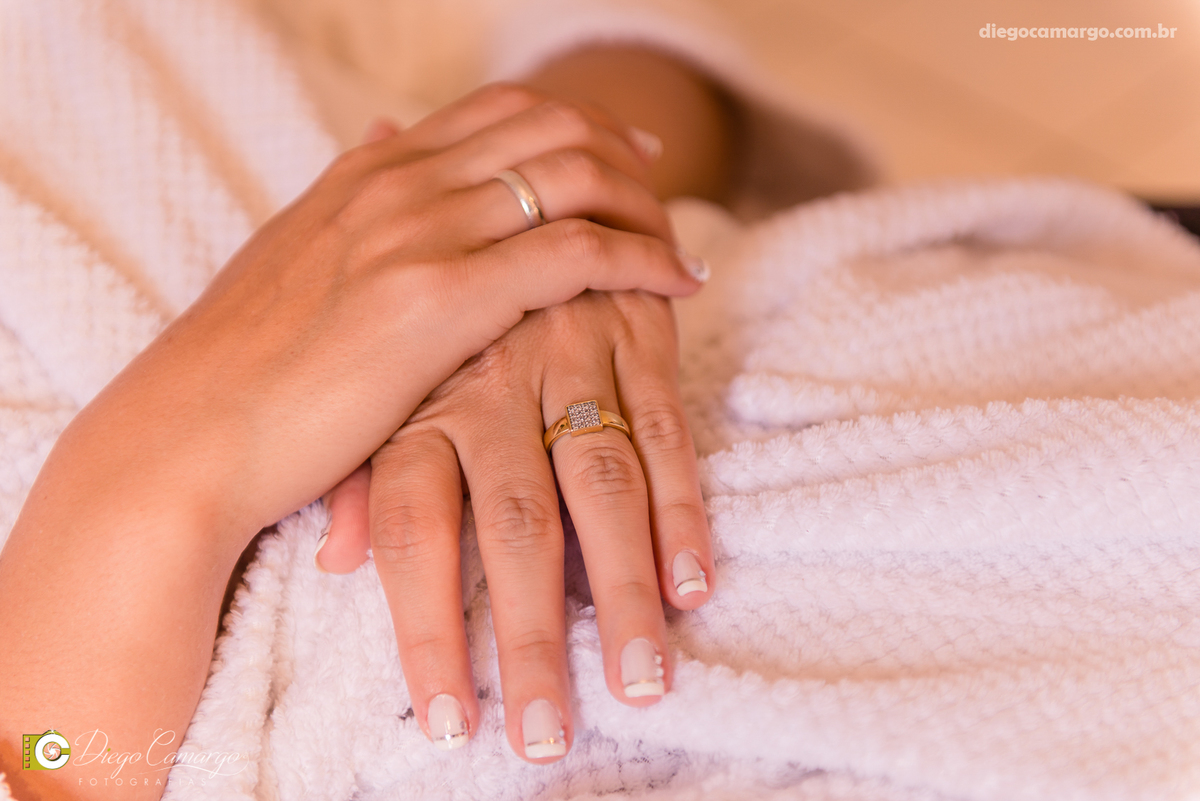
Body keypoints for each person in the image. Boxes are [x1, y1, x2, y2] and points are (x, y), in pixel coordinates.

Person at [0, 0, 861, 794]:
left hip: (785, 361)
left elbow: (629, 43)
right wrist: (152, 466)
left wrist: (537, 232)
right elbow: (53, 761)